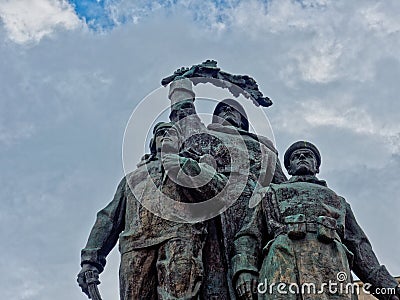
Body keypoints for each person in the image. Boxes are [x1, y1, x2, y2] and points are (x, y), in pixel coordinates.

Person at [164, 78, 287, 299]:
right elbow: (185, 117)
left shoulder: (263, 147)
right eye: (223, 110)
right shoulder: (204, 137)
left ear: (243, 120)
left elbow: (282, 187)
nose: (229, 113)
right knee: (215, 274)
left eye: (234, 111)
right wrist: (180, 88)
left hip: (257, 209)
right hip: (215, 208)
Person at [232, 141, 400, 300]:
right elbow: (249, 234)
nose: (302, 158)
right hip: (283, 260)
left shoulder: (338, 201)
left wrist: (387, 287)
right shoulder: (270, 193)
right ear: (288, 168)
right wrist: (244, 269)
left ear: (317, 166)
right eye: (296, 157)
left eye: (308, 155)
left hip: (331, 265)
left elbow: (360, 247)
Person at [77, 122, 224, 300]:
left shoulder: (193, 166)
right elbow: (109, 218)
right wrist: (91, 259)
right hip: (135, 245)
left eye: (173, 133)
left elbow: (216, 193)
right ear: (154, 142)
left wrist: (183, 166)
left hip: (179, 239)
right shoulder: (132, 178)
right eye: (161, 133)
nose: (166, 135)